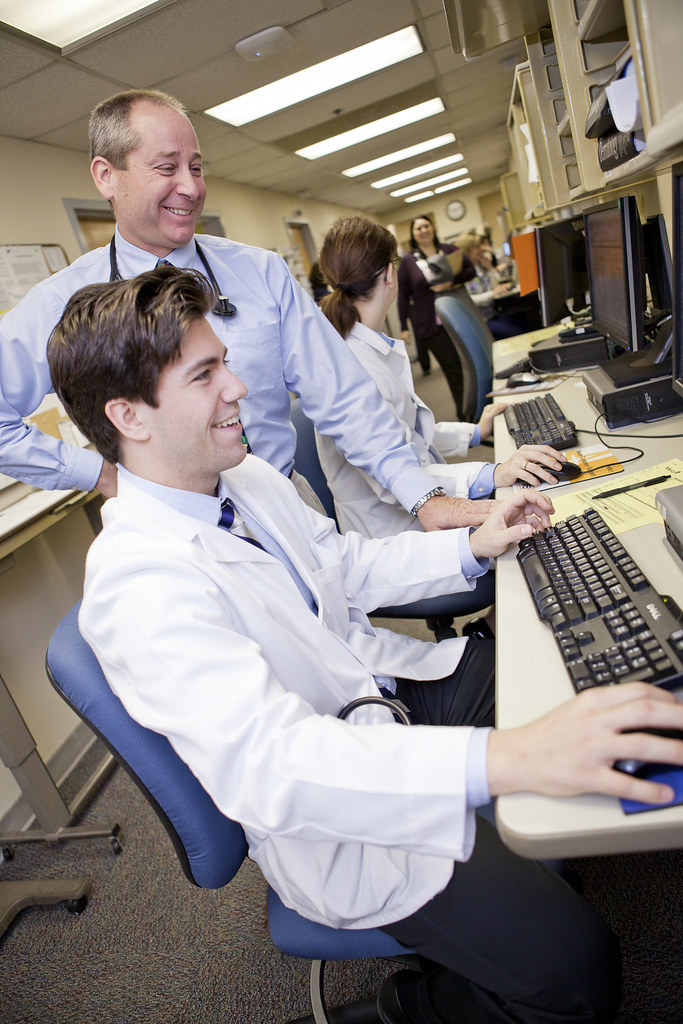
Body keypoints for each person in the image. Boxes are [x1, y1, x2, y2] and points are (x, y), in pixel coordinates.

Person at [47, 266, 683, 1024]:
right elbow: (278, 768)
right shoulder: (139, 588)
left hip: (380, 694)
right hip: (339, 815)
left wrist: (473, 545)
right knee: (578, 977)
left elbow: (342, 566)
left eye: (227, 362)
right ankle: (399, 1008)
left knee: (543, 668)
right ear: (130, 415)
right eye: (206, 374)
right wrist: (513, 756)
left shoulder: (240, 476)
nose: (239, 388)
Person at [0, 89, 491, 535]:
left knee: (350, 626)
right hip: (179, 536)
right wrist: (96, 472)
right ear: (107, 176)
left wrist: (424, 495)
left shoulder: (260, 273)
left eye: (196, 167)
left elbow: (342, 394)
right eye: (167, 168)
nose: (190, 188)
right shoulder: (60, 305)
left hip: (287, 505)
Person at [316, 217, 568, 538]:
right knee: (544, 529)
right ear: (390, 274)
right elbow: (397, 478)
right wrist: (494, 473)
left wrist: (476, 432)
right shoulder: (353, 369)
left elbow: (410, 437)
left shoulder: (366, 349)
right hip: (398, 537)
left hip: (427, 508)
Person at [397, 213, 474, 411]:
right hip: (432, 325)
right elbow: (403, 294)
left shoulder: (449, 250)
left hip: (458, 316)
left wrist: (450, 282)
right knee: (453, 368)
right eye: (418, 228)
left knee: (472, 361)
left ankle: (481, 405)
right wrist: (404, 326)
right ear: (413, 234)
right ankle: (465, 413)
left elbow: (470, 270)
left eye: (426, 226)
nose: (423, 230)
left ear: (433, 228)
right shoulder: (408, 261)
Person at [456, 231, 530, 340]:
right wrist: (492, 294)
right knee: (516, 332)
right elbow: (468, 299)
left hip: (492, 314)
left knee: (522, 321)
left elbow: (492, 286)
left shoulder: (478, 266)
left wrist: (490, 268)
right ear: (467, 249)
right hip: (481, 321)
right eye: (476, 247)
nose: (481, 249)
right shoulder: (462, 271)